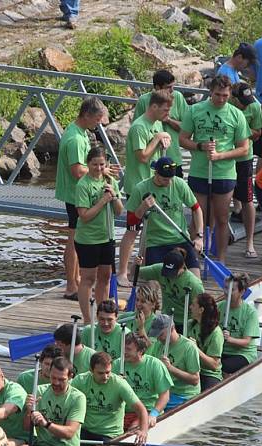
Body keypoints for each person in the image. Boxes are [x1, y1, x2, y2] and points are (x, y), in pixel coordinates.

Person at [180, 75, 250, 263]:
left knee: (221, 218)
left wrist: (220, 156)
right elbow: (183, 139)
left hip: (224, 173)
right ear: (210, 92)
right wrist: (200, 146)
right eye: (217, 95)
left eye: (225, 96)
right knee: (198, 218)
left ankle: (220, 259)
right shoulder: (195, 110)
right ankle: (193, 260)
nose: (221, 99)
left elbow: (244, 148)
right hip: (199, 172)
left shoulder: (236, 114)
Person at [54, 97, 109, 301]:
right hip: (75, 195)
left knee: (75, 238)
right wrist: (102, 171)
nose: (99, 123)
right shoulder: (76, 139)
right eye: (97, 118)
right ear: (86, 115)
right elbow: (78, 171)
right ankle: (71, 286)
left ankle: (76, 280)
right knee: (74, 239)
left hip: (76, 193)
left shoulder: (79, 132)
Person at [117, 90, 173, 288]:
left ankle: (141, 269)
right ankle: (122, 273)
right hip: (137, 187)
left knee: (149, 232)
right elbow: (142, 156)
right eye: (165, 110)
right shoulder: (140, 127)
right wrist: (158, 139)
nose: (167, 114)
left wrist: (164, 139)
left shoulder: (157, 124)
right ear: (154, 106)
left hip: (152, 184)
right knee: (132, 230)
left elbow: (157, 151)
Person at [126, 157, 204, 277]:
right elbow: (131, 223)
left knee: (195, 280)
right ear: (155, 173)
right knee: (154, 285)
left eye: (170, 178)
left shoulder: (179, 184)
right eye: (164, 179)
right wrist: (142, 207)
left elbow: (196, 209)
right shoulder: (141, 188)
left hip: (181, 239)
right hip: (156, 242)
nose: (168, 182)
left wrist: (199, 237)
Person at [74, 147, 125, 322]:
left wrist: (114, 196)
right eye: (94, 164)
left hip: (107, 237)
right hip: (88, 239)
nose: (98, 168)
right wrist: (103, 201)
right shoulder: (83, 185)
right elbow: (84, 216)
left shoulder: (110, 180)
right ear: (88, 164)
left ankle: (103, 316)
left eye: (102, 164)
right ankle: (87, 319)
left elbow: (119, 212)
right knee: (88, 278)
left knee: (105, 277)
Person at [71, 351, 149, 446]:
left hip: (109, 435)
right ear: (91, 370)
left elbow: (141, 409)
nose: (105, 377)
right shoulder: (80, 381)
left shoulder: (119, 384)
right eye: (100, 373)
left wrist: (143, 431)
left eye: (108, 372)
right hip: (85, 431)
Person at [21, 356, 86, 446]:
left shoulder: (78, 398)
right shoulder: (39, 391)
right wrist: (29, 411)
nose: (56, 382)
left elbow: (69, 433)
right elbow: (26, 427)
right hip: (42, 445)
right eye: (53, 377)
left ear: (70, 376)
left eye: (61, 379)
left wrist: (46, 424)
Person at [229, 82, 262, 259]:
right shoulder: (225, 105)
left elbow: (258, 132)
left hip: (244, 158)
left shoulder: (254, 107)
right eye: (242, 102)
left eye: (248, 101)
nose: (246, 104)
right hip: (225, 157)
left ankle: (250, 242)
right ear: (233, 98)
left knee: (247, 199)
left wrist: (242, 129)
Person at [133, 70, 189, 178]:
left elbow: (187, 129)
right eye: (168, 87)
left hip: (173, 156)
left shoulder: (177, 97)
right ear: (157, 87)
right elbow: (136, 129)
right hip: (151, 160)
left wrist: (168, 120)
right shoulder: (144, 100)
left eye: (173, 86)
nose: (172, 90)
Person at [138, 248, 204, 334]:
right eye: (167, 272)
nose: (169, 276)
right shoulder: (159, 269)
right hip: (166, 320)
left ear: (182, 267)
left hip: (186, 323)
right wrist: (136, 264)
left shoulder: (194, 284)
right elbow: (135, 272)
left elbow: (203, 310)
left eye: (172, 272)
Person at [147, 313, 200, 410]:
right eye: (157, 335)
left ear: (171, 329)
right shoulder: (158, 345)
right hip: (164, 392)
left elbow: (195, 380)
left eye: (161, 334)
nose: (158, 338)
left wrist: (170, 368)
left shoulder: (189, 347)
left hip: (184, 395)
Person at [122, 333, 173, 430]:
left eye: (128, 350)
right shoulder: (117, 364)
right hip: (125, 412)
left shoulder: (155, 365)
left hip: (147, 410)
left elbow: (165, 395)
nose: (124, 352)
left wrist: (153, 414)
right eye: (123, 348)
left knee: (133, 429)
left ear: (140, 351)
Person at [218, 273, 260, 376]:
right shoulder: (219, 307)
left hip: (242, 353)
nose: (227, 292)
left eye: (232, 290)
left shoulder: (250, 312)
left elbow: (246, 341)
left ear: (242, 292)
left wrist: (229, 339)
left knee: (224, 366)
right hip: (221, 350)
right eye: (226, 288)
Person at [186, 292, 224, 391]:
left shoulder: (216, 333)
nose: (190, 307)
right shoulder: (190, 324)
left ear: (201, 310)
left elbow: (214, 365)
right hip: (192, 369)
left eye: (193, 305)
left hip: (208, 374)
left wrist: (196, 349)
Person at [120, 280, 161, 347]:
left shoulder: (157, 323)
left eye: (143, 301)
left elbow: (150, 347)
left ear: (153, 304)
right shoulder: (125, 317)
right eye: (137, 300)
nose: (138, 304)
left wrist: (141, 328)